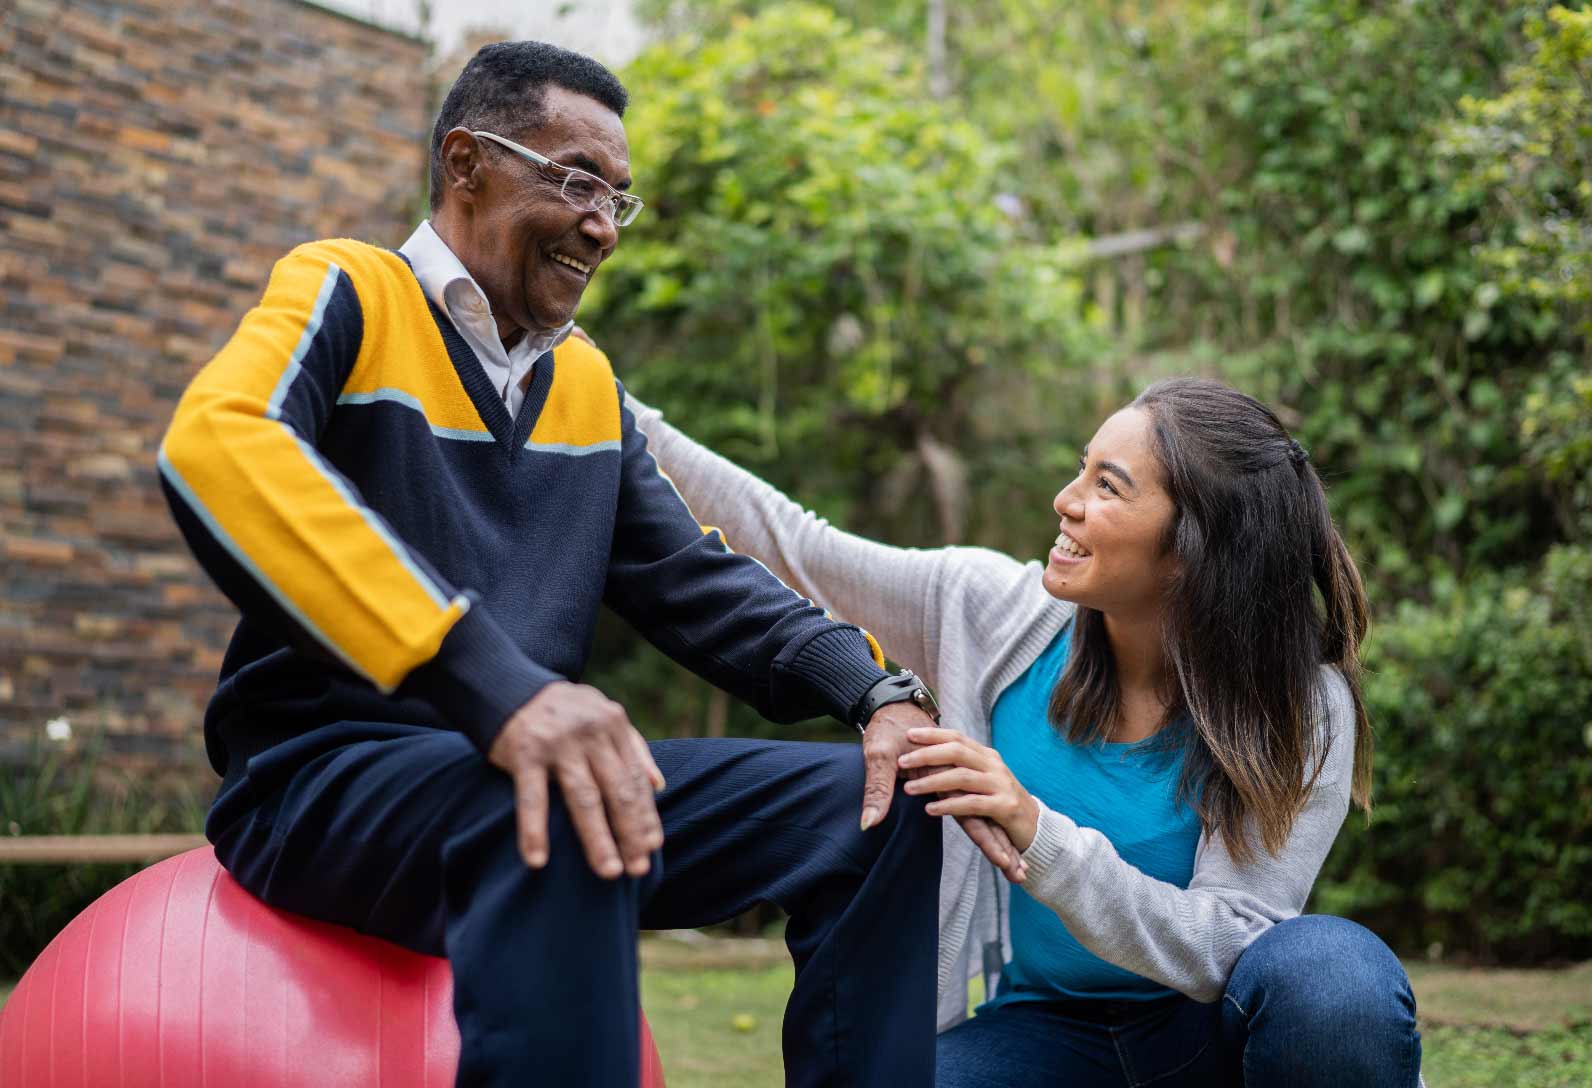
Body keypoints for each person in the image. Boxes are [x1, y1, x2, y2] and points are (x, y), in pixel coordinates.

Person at [157, 41, 972, 1087]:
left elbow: (694, 579)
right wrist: (498, 688)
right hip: (322, 779)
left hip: (522, 777)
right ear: (465, 162)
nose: (602, 225)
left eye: (617, 199)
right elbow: (218, 443)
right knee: (561, 790)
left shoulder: (584, 383)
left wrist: (874, 691)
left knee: (880, 805)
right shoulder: (349, 289)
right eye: (576, 180)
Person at [629, 377, 1424, 1086]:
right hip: (1043, 1035)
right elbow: (794, 546)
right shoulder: (992, 611)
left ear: (1191, 550)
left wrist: (1039, 834)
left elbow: (1227, 943)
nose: (1066, 500)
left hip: (1207, 1038)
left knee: (1331, 977)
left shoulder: (1301, 702)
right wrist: (610, 407)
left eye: (1107, 486)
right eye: (1082, 467)